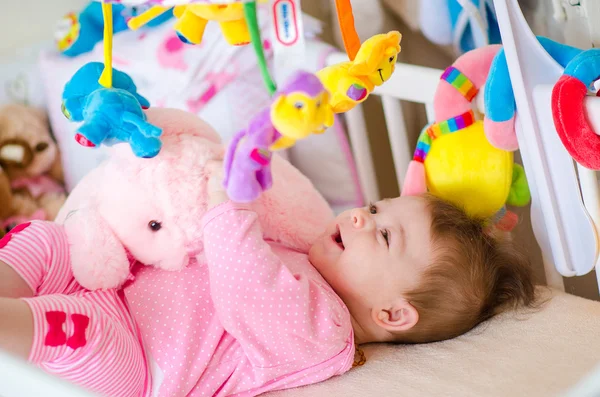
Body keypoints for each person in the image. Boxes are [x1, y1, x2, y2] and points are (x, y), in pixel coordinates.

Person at [0, 161, 535, 397]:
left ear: (393, 313)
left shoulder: (323, 333)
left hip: (136, 366)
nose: (358, 217)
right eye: (374, 206)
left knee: (73, 327)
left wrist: (224, 203)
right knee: (49, 240)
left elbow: (244, 290)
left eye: (385, 234)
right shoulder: (308, 257)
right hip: (114, 288)